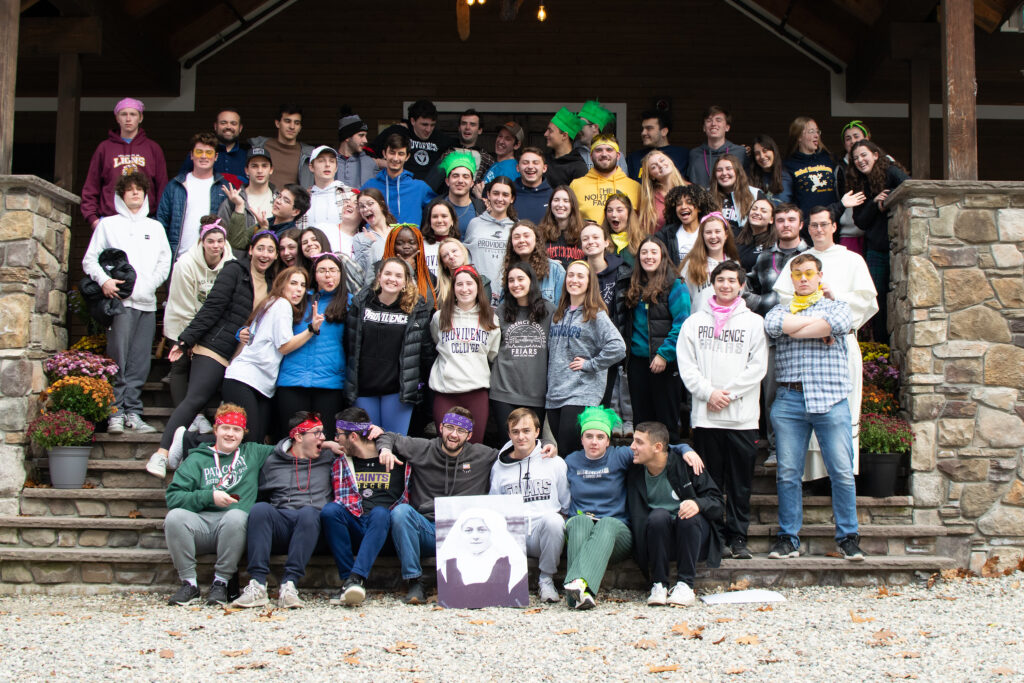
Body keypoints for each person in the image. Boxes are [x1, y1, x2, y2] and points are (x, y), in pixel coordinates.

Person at [376, 407, 554, 604]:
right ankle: (414, 581)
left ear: (469, 435)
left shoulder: (482, 455)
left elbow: (518, 449)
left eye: (461, 430)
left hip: (467, 535)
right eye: (449, 428)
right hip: (429, 530)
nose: (454, 434)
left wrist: (546, 445)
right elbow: (389, 437)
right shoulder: (422, 448)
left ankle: (498, 588)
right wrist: (384, 449)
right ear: (441, 428)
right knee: (401, 513)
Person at [145, 231, 278, 478]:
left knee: (241, 422)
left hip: (243, 358)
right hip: (216, 346)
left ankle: (187, 442)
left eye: (271, 250)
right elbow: (213, 306)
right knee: (195, 398)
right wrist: (186, 339)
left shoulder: (272, 283)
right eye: (260, 248)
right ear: (250, 250)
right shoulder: (234, 271)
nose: (265, 254)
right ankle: (161, 454)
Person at [764, 253, 865, 561]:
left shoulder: (839, 308)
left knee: (842, 472)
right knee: (788, 473)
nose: (804, 278)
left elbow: (835, 323)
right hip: (790, 401)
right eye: (797, 274)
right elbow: (774, 325)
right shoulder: (777, 310)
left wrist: (797, 327)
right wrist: (819, 327)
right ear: (791, 279)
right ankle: (788, 538)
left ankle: (848, 537)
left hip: (831, 399)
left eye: (809, 273)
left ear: (820, 276)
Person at [773, 207, 877, 480]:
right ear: (808, 228)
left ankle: (839, 475)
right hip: (802, 352)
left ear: (834, 227)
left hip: (840, 346)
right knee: (804, 411)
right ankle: (811, 477)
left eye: (824, 225)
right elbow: (786, 305)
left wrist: (834, 298)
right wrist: (818, 325)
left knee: (838, 411)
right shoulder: (797, 263)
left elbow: (866, 302)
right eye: (814, 225)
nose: (818, 230)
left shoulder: (852, 260)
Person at [678, 261, 767, 560]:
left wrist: (728, 395)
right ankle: (714, 538)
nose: (726, 285)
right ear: (712, 284)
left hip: (742, 419)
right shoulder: (694, 323)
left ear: (742, 285)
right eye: (720, 280)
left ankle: (738, 538)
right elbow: (686, 364)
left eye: (732, 280)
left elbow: (758, 366)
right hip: (706, 418)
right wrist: (708, 393)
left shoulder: (754, 323)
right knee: (710, 484)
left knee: (740, 485)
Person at [83, 171, 171, 435]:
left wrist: (150, 285)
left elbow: (164, 262)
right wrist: (104, 282)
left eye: (140, 190)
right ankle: (115, 413)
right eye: (129, 189)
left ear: (145, 195)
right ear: (121, 195)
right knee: (118, 357)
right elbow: (90, 260)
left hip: (146, 303)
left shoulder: (154, 227)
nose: (135, 193)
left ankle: (133, 412)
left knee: (140, 360)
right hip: (119, 303)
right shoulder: (108, 225)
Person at [164, 404, 272, 606]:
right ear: (215, 430)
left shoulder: (253, 453)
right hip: (202, 526)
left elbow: (290, 449)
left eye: (236, 429)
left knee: (236, 515)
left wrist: (326, 445)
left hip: (235, 529)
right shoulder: (197, 458)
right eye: (226, 428)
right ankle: (189, 584)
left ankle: (220, 583)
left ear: (243, 434)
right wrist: (209, 497)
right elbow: (173, 497)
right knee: (174, 517)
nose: (231, 434)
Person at [231, 412, 337, 609]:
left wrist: (331, 445)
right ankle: (257, 584)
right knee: (260, 509)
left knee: (309, 512)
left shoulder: (329, 457)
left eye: (323, 433)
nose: (323, 437)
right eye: (317, 433)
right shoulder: (273, 462)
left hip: (313, 527)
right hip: (281, 522)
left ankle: (289, 585)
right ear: (298, 437)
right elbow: (261, 494)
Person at [626, 421, 722, 607]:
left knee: (687, 513)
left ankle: (685, 585)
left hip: (692, 537)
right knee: (658, 515)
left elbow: (717, 503)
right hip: (657, 538)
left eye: (638, 442)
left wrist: (698, 504)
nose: (632, 447)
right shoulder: (635, 470)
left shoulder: (687, 464)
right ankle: (659, 584)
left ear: (658, 447)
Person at [221, 266, 321, 445]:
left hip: (260, 385)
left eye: (303, 285)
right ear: (282, 284)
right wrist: (311, 330)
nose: (299, 289)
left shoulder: (272, 302)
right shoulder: (281, 304)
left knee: (256, 441)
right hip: (244, 379)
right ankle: (189, 439)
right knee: (246, 438)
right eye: (294, 283)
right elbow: (284, 346)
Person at [320, 407, 409, 606]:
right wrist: (325, 444)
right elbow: (299, 444)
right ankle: (350, 581)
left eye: (339, 435)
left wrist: (385, 437)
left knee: (380, 513)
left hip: (385, 532)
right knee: (330, 510)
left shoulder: (396, 456)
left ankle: (355, 577)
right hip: (356, 526)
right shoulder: (341, 462)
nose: (336, 439)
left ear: (353, 436)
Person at [742, 203, 808, 467]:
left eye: (791, 219)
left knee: (801, 395)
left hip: (806, 339)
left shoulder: (812, 256)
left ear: (801, 224)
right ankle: (774, 448)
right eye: (780, 220)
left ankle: (803, 452)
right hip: (772, 337)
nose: (786, 224)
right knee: (771, 395)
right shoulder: (764, 257)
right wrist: (774, 305)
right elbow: (745, 292)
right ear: (774, 224)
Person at [345, 257, 435, 435]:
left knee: (393, 445)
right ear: (379, 277)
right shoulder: (360, 303)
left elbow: (425, 351)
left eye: (398, 275)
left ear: (405, 282)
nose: (392, 279)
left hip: (397, 392)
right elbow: (349, 343)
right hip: (364, 388)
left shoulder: (416, 309)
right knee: (367, 444)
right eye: (387, 273)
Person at [163, 215, 235, 435]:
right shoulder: (185, 265)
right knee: (181, 364)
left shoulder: (230, 264)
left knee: (201, 369)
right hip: (183, 320)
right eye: (210, 241)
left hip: (212, 325)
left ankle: (200, 414)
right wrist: (191, 338)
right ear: (202, 242)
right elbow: (184, 305)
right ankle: (185, 415)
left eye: (219, 241)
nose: (216, 246)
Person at [489, 407, 569, 603]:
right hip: (513, 534)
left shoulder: (555, 462)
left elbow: (566, 504)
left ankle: (546, 579)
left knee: (555, 521)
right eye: (515, 432)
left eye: (526, 431)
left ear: (537, 432)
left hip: (543, 533)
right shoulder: (499, 467)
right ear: (509, 434)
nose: (521, 437)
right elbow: (493, 506)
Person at [546, 261, 626, 456]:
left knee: (569, 451)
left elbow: (618, 347)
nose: (574, 280)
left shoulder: (595, 313)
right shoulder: (559, 313)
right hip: (555, 393)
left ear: (590, 283)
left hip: (581, 392)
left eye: (581, 276)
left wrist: (590, 365)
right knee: (561, 455)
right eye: (571, 275)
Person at [561, 407, 633, 610]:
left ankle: (577, 585)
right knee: (579, 521)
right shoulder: (570, 461)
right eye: (589, 436)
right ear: (581, 439)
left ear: (608, 440)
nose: (594, 441)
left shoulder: (619, 456)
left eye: (600, 436)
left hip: (616, 533)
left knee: (606, 524)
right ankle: (579, 592)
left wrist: (685, 449)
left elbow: (655, 447)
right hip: (581, 530)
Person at [275, 253, 349, 441]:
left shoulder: (350, 302)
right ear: (314, 275)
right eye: (322, 270)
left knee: (325, 441)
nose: (328, 275)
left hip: (330, 382)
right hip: (292, 379)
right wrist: (245, 331)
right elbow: (270, 315)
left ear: (341, 274)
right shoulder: (301, 298)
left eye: (333, 270)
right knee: (291, 440)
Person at [622, 237, 690, 442]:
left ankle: (669, 468)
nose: (648, 256)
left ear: (662, 256)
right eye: (644, 252)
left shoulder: (675, 284)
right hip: (637, 362)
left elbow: (682, 324)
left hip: (664, 364)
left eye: (653, 252)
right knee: (641, 424)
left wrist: (664, 354)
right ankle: (644, 470)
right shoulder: (633, 284)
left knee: (666, 423)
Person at [846, 139, 909, 341]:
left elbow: (909, 187)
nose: (860, 160)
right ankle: (881, 346)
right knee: (877, 297)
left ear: (875, 154)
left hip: (901, 246)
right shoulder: (859, 184)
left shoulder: (890, 172)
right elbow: (860, 222)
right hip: (876, 249)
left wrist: (888, 198)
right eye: (855, 158)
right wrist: (875, 203)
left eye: (864, 155)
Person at [429, 265, 500, 443]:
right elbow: (437, 343)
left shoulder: (490, 318)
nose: (464, 289)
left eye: (469, 283)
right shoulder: (440, 317)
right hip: (446, 391)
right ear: (453, 288)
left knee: (474, 448)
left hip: (476, 392)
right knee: (447, 445)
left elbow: (492, 354)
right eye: (459, 284)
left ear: (478, 287)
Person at [81, 97, 167, 228]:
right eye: (123, 114)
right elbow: (91, 186)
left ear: (140, 118)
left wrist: (159, 221)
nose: (128, 119)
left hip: (146, 220)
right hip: (110, 219)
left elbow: (162, 187)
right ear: (117, 118)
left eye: (133, 114)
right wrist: (93, 219)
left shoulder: (153, 148)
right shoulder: (104, 148)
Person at [491, 262, 554, 429]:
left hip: (536, 393)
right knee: (508, 446)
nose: (516, 284)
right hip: (503, 392)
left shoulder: (549, 310)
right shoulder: (501, 311)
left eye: (520, 279)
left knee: (531, 449)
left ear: (531, 281)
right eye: (511, 280)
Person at [435, 505, 529, 608]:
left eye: (482, 530)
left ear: (493, 532)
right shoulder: (447, 565)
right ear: (461, 533)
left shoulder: (511, 563)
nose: (475, 536)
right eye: (468, 530)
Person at [157, 132, 229, 259]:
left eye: (209, 153)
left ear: (216, 156)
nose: (204, 156)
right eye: (199, 152)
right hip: (179, 257)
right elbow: (161, 222)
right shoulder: (175, 185)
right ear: (191, 155)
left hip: (212, 260)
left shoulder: (224, 187)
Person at [464, 176, 518, 305]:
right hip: (477, 294)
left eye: (505, 195)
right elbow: (465, 257)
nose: (500, 199)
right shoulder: (475, 224)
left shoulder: (517, 228)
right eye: (495, 193)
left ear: (512, 199)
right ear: (488, 194)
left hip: (507, 297)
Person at [360, 133, 435, 226]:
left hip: (409, 239)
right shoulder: (370, 186)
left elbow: (439, 211)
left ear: (407, 157)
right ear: (384, 154)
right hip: (376, 239)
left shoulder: (420, 188)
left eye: (401, 154)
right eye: (392, 152)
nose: (396, 158)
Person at [371, 99, 454, 181]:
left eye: (432, 125)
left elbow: (461, 148)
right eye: (424, 124)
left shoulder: (439, 137)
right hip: (401, 187)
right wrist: (384, 163)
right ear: (413, 121)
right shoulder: (398, 131)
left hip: (430, 191)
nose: (428, 129)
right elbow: (368, 154)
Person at [296, 145, 357, 249]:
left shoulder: (350, 195)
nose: (327, 165)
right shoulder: (302, 199)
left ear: (336, 167)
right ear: (311, 167)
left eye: (332, 161)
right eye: (321, 161)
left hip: (343, 254)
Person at [570, 135, 641, 223]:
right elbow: (570, 221)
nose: (604, 154)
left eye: (609, 150)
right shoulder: (576, 185)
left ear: (618, 156)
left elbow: (641, 224)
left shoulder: (635, 187)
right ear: (591, 156)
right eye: (598, 150)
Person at [681, 213, 740, 314]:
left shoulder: (734, 264)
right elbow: (682, 300)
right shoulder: (691, 264)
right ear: (702, 236)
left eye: (717, 231)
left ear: (726, 234)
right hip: (699, 325)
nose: (713, 236)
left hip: (728, 325)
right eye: (708, 232)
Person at [782, 116, 838, 224]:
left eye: (817, 132)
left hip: (831, 221)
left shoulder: (829, 159)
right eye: (811, 131)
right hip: (807, 224)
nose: (816, 135)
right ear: (799, 136)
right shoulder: (789, 165)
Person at [426, 108, 496, 191]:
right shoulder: (448, 153)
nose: (467, 127)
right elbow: (431, 185)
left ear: (480, 130)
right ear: (459, 127)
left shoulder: (487, 158)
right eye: (464, 123)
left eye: (472, 124)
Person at [218, 147, 275, 246]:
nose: (260, 170)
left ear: (271, 169)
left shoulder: (279, 199)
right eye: (254, 166)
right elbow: (220, 237)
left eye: (264, 166)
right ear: (246, 170)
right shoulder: (233, 201)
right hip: (239, 259)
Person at [226, 182, 309, 249]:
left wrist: (264, 230)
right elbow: (237, 242)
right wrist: (239, 206)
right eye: (279, 196)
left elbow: (263, 255)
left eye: (286, 201)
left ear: (296, 212)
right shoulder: (268, 222)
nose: (278, 201)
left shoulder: (292, 236)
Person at [249, 104, 313, 189]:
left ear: (300, 127)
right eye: (287, 121)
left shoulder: (308, 154)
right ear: (277, 123)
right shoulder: (260, 147)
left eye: (296, 123)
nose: (292, 127)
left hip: (294, 201)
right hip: (263, 201)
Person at [179, 108, 249, 185]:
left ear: (240, 128)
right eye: (223, 123)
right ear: (215, 126)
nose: (228, 126)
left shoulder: (248, 154)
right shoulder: (200, 153)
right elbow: (181, 182)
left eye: (233, 123)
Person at [501, 220, 565, 304]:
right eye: (516, 237)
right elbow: (503, 308)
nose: (521, 240)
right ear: (512, 243)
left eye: (526, 236)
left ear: (536, 240)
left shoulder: (555, 270)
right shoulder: (510, 271)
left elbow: (561, 310)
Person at [686, 106, 748, 189]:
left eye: (718, 120)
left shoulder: (739, 152)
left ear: (727, 127)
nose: (713, 124)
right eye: (709, 120)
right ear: (704, 127)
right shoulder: (694, 154)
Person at [378, 224, 437, 309]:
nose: (406, 247)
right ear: (392, 245)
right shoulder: (377, 268)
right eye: (400, 243)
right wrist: (406, 269)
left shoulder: (426, 274)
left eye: (412, 243)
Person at [656, 184, 715, 267]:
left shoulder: (711, 231)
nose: (683, 207)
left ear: (700, 207)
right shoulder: (666, 235)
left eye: (689, 202)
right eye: (679, 204)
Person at [626, 110, 689, 180]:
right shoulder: (633, 158)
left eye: (649, 128)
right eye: (642, 129)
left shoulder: (683, 155)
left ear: (664, 132)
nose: (643, 133)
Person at [710, 154, 765, 233]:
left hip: (747, 243)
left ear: (737, 171)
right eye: (719, 170)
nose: (724, 173)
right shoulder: (708, 196)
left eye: (729, 169)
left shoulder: (755, 194)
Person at [637, 149, 687, 235]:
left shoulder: (691, 190)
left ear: (670, 161)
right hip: (660, 246)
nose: (660, 165)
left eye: (662, 160)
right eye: (654, 167)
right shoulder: (648, 200)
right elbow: (643, 232)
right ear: (651, 176)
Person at [353, 188, 396, 280]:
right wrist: (367, 246)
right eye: (362, 206)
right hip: (376, 288)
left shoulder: (399, 231)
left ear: (381, 205)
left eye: (370, 204)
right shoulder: (360, 238)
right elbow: (362, 273)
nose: (366, 209)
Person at [539, 186, 586, 267]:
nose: (560, 205)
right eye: (556, 200)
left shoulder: (584, 232)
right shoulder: (539, 233)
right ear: (550, 204)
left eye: (566, 201)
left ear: (572, 205)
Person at [436, 238, 492, 306]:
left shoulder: (482, 281)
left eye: (454, 251)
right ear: (443, 264)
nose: (451, 256)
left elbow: (484, 310)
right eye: (445, 255)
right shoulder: (438, 287)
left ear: (463, 251)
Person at [438, 151, 484, 232]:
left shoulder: (482, 209)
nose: (460, 180)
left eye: (465, 176)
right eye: (455, 176)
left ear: (472, 183)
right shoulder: (434, 207)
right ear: (447, 181)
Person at [543, 108, 588, 188]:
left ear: (564, 136)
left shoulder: (579, 167)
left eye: (550, 131)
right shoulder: (543, 160)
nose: (545, 134)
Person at [335, 109, 377, 188]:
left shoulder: (370, 163)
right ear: (347, 137)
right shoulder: (329, 161)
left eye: (365, 136)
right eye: (361, 135)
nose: (365, 140)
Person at [603, 192, 645, 268]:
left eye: (619, 210)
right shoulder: (600, 242)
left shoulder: (643, 240)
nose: (613, 215)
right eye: (609, 210)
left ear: (629, 213)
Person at [513, 147, 553, 224]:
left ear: (544, 168)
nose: (530, 167)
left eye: (535, 163)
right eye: (525, 162)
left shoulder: (553, 196)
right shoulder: (508, 193)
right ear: (518, 168)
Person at [749, 134, 792, 205]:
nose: (762, 156)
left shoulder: (787, 176)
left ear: (773, 151)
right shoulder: (750, 177)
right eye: (757, 154)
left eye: (765, 151)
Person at [421, 198, 459, 277]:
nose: (439, 220)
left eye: (444, 216)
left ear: (452, 220)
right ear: (429, 221)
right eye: (435, 216)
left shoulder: (459, 248)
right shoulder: (420, 246)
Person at [735, 198, 776, 271]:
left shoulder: (774, 245)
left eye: (763, 211)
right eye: (754, 209)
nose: (757, 212)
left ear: (771, 220)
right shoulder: (736, 235)